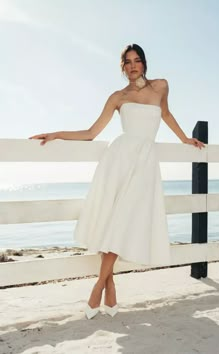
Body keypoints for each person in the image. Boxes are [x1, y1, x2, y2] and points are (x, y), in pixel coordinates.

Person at [29, 44, 205, 319]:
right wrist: (56, 133)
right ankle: (109, 286)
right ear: (122, 68)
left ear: (144, 63)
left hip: (144, 162)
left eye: (137, 61)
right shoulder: (117, 97)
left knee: (122, 221)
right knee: (111, 220)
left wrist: (184, 139)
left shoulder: (161, 86)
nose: (133, 66)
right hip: (118, 159)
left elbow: (166, 114)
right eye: (127, 62)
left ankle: (99, 284)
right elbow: (90, 132)